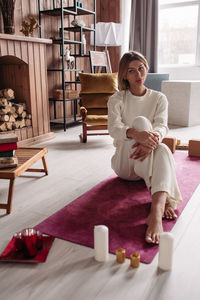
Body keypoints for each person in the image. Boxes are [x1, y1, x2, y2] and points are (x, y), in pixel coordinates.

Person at [107, 51, 182, 244]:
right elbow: (114, 129)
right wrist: (135, 133)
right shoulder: (116, 99)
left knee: (163, 149)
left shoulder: (159, 98)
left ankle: (155, 210)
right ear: (124, 75)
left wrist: (151, 144)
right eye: (131, 71)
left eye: (141, 68)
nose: (138, 74)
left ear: (146, 68)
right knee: (141, 122)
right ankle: (164, 197)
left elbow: (162, 126)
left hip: (145, 165)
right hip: (125, 164)